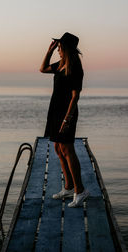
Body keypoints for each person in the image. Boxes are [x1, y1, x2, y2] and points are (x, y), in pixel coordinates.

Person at [40, 32, 89, 207]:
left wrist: (67, 119)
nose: (59, 50)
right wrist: (50, 50)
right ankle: (68, 187)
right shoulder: (61, 64)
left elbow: (75, 96)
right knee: (58, 149)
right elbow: (42, 68)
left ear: (67, 48)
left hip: (67, 112)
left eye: (60, 48)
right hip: (55, 110)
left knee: (67, 149)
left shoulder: (75, 66)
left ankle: (80, 190)